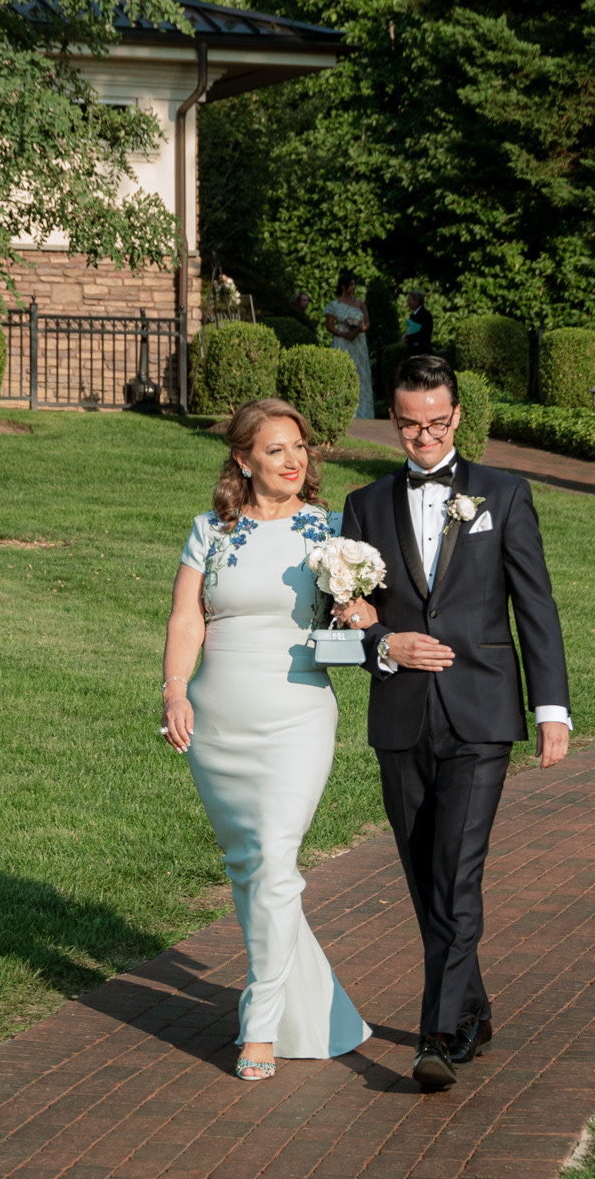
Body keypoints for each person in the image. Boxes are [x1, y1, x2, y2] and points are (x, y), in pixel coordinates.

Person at [335, 352, 572, 1093]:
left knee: (456, 872)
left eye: (438, 424)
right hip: (401, 717)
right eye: (410, 427)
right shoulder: (363, 506)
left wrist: (551, 708)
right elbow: (339, 623)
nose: (425, 439)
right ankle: (470, 1008)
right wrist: (376, 637)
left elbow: (535, 604)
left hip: (482, 713)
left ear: (458, 416)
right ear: (394, 423)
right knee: (421, 875)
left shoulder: (504, 494)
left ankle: (438, 1035)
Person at [160, 397, 371, 1083]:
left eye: (300, 448)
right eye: (276, 450)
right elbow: (187, 619)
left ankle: (259, 1025)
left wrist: (354, 602)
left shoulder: (331, 532)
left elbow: (363, 616)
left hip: (298, 714)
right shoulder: (210, 532)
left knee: (276, 857)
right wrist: (174, 690)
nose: (293, 461)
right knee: (252, 868)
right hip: (219, 719)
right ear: (244, 459)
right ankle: (317, 1013)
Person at [323, 273, 376, 419]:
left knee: (361, 372)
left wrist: (357, 330)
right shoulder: (334, 305)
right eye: (351, 284)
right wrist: (343, 333)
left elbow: (367, 323)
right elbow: (329, 326)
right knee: (343, 371)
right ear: (343, 287)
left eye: (354, 284)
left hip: (358, 341)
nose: (354, 287)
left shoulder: (360, 303)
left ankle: (363, 412)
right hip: (342, 340)